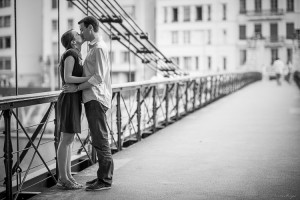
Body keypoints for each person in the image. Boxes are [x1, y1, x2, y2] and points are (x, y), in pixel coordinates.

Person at [63, 16, 114, 191]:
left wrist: (76, 88)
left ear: (90, 28)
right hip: (92, 98)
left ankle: (105, 180)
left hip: (95, 98)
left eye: (83, 30)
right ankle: (102, 176)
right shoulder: (93, 48)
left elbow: (98, 77)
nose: (81, 33)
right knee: (98, 139)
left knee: (100, 139)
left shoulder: (98, 48)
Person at [56, 30, 91, 189]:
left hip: (74, 98)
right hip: (69, 99)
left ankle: (68, 176)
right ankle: (63, 178)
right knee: (66, 140)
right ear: (73, 41)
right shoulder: (71, 53)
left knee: (70, 140)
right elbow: (68, 77)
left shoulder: (76, 53)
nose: (80, 34)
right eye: (77, 34)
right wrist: (90, 79)